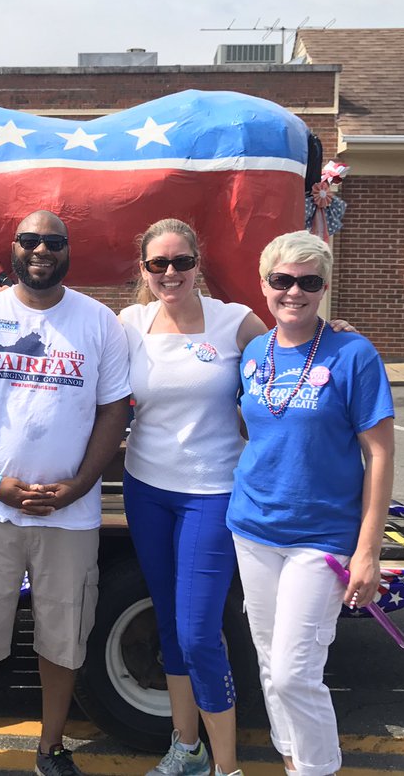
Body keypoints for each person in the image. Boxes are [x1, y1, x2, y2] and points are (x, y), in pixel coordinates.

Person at [0, 210, 131, 776]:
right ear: (14, 249)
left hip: (69, 515)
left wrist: (77, 486)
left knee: (64, 634)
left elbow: (113, 409)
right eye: (30, 240)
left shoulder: (99, 322)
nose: (41, 249)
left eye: (53, 241)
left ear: (68, 250)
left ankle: (51, 748)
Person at [226, 230, 395, 776]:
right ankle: (292, 761)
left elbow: (381, 457)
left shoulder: (354, 354)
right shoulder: (255, 352)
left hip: (321, 536)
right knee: (271, 667)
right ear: (264, 284)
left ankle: (318, 769)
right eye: (282, 280)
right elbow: (253, 428)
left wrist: (367, 552)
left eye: (308, 281)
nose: (293, 291)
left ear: (324, 288)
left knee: (298, 671)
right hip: (253, 527)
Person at [118, 219, 256, 776]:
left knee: (199, 632)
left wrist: (335, 337)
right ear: (144, 270)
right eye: (157, 265)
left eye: (180, 262)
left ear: (199, 263)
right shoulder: (129, 323)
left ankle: (227, 768)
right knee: (171, 624)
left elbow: (294, 355)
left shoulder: (234, 320)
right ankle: (186, 749)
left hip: (212, 493)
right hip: (146, 488)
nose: (169, 273)